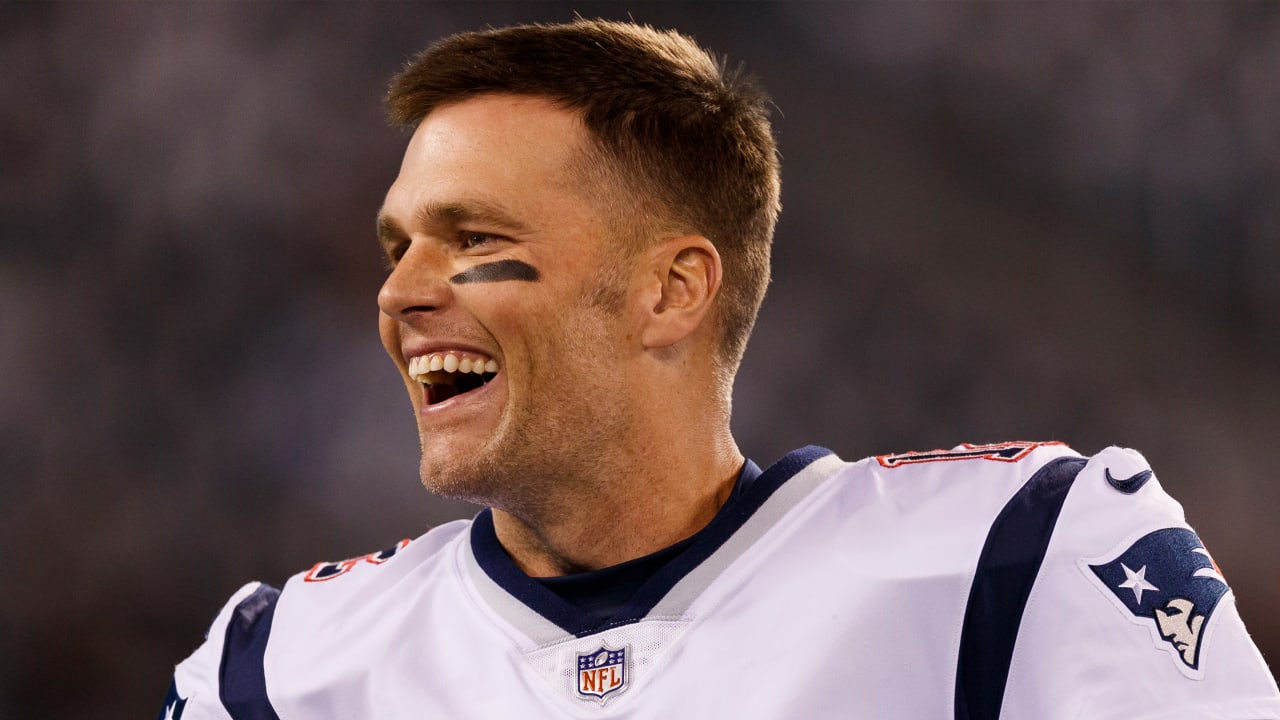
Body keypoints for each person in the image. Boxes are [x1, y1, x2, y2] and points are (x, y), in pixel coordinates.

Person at [159, 19, 1280, 719]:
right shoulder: (282, 669)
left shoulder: (1014, 561)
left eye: (473, 239)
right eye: (398, 245)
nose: (399, 294)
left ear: (672, 290)